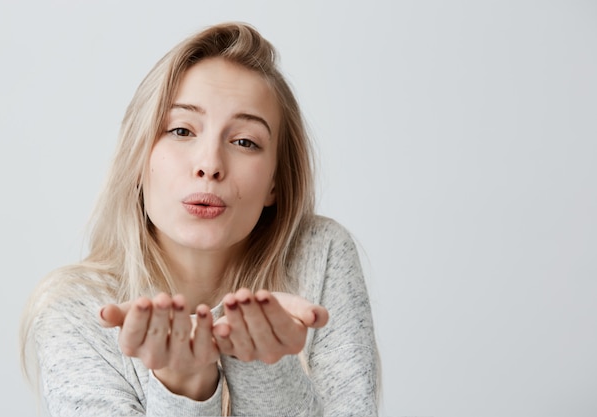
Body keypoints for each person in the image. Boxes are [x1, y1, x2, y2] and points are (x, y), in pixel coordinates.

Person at [20, 22, 380, 416]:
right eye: (181, 130)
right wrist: (184, 389)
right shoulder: (75, 309)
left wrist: (267, 373)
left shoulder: (321, 256)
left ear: (275, 182)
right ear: (140, 160)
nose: (210, 165)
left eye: (244, 141)